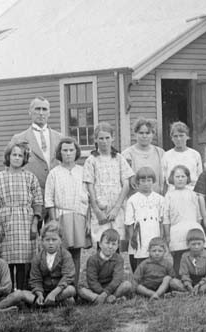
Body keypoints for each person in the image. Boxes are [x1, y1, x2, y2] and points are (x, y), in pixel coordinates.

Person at [0, 141, 43, 290]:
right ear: (8, 156)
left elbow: (38, 202)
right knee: (7, 259)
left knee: (25, 260)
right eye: (14, 154)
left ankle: (24, 292)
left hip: (26, 222)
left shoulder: (30, 177)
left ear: (24, 158)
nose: (17, 158)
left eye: (20, 155)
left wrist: (34, 224)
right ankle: (9, 291)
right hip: (6, 221)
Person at [44, 137, 91, 288]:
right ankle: (60, 286)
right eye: (65, 150)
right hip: (61, 216)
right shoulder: (54, 173)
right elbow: (49, 199)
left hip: (79, 215)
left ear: (76, 152)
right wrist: (54, 222)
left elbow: (89, 198)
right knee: (62, 252)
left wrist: (88, 220)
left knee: (75, 253)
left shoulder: (83, 171)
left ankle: (74, 286)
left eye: (72, 150)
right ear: (60, 152)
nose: (68, 153)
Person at [84, 123, 134, 252]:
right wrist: (97, 210)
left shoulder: (119, 159)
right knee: (102, 242)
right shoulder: (91, 160)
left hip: (116, 208)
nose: (104, 141)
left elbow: (126, 184)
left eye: (107, 138)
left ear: (112, 138)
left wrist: (116, 208)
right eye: (101, 138)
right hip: (100, 209)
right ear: (95, 140)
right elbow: (89, 186)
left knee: (115, 241)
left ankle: (115, 270)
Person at [9, 97, 62, 199]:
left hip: (57, 195)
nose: (41, 113)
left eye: (44, 109)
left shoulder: (60, 138)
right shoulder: (18, 139)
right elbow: (10, 169)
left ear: (49, 113)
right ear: (30, 112)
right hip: (30, 196)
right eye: (37, 109)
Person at [125, 167, 169, 273]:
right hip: (140, 234)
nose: (146, 184)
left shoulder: (160, 199)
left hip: (154, 232)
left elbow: (162, 220)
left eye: (149, 180)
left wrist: (162, 237)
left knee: (155, 257)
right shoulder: (133, 200)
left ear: (153, 181)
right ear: (138, 182)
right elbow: (129, 222)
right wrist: (132, 238)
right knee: (140, 259)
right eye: (143, 181)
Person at [165, 165, 206, 273]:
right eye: (177, 176)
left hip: (192, 229)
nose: (180, 179)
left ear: (187, 178)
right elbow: (166, 218)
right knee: (179, 258)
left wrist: (197, 229)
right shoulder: (169, 195)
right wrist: (168, 236)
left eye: (183, 176)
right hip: (177, 230)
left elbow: (198, 216)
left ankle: (195, 277)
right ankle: (180, 280)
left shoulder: (193, 194)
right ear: (172, 178)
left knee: (194, 256)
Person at [27, 222, 77, 307]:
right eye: (47, 240)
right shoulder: (37, 258)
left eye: (54, 240)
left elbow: (67, 276)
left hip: (60, 290)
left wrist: (53, 294)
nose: (50, 243)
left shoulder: (66, 255)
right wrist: (39, 294)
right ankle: (45, 301)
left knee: (71, 290)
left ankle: (49, 302)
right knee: (23, 294)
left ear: (60, 241)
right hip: (44, 291)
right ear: (42, 241)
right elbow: (35, 279)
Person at [78, 229, 133, 304]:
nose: (110, 246)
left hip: (112, 289)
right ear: (100, 244)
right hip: (96, 289)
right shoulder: (92, 260)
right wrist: (103, 293)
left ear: (117, 246)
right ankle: (109, 300)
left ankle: (100, 300)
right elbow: (92, 281)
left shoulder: (119, 259)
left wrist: (106, 293)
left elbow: (117, 279)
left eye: (114, 244)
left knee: (127, 285)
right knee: (81, 290)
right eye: (107, 243)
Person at [123, 118, 166, 195]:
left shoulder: (160, 153)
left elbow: (164, 177)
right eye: (141, 133)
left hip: (156, 197)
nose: (144, 136)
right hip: (135, 198)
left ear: (153, 134)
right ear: (135, 133)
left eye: (148, 133)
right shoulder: (127, 154)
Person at [160, 122, 203, 190]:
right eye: (175, 136)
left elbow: (200, 177)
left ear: (187, 136)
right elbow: (163, 179)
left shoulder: (195, 155)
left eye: (181, 135)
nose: (179, 139)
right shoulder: (166, 156)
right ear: (172, 138)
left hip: (191, 191)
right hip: (173, 192)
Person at [179, 228, 206, 294]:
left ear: (204, 243)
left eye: (199, 244)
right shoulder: (185, 256)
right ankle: (190, 291)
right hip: (190, 282)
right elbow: (184, 274)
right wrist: (188, 285)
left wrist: (199, 284)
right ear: (188, 244)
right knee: (173, 282)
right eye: (193, 244)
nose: (196, 247)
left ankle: (194, 292)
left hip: (203, 282)